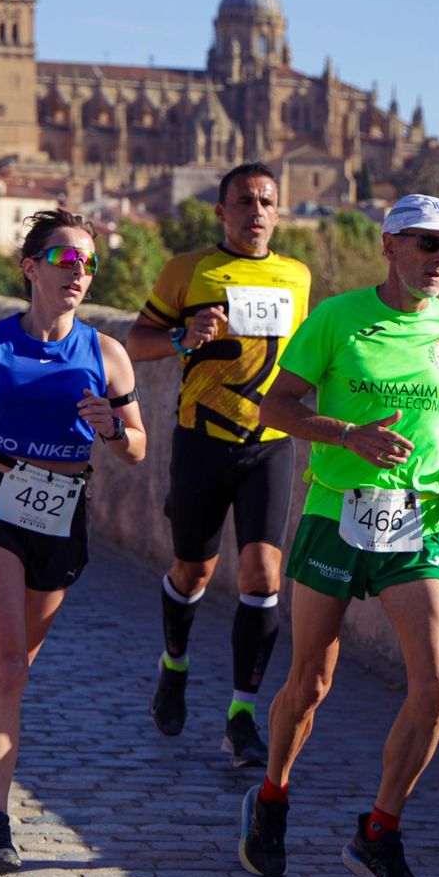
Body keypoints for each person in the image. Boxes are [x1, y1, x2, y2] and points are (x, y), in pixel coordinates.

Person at [237, 194, 439, 877]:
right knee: (311, 682)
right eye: (428, 243)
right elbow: (275, 406)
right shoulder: (337, 318)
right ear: (389, 245)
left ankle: (379, 832)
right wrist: (348, 434)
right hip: (336, 517)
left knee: (437, 683)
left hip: (417, 523)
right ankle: (272, 796)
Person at [0, 209, 147, 873]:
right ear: (30, 267)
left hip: (61, 513)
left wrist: (113, 429)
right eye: (66, 259)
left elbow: (137, 448)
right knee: (10, 667)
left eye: (88, 263)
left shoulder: (107, 354)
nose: (79, 272)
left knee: (11, 673)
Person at [125, 162, 311, 768]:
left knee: (263, 575)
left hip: (270, 442)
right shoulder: (188, 270)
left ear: (278, 212)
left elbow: (306, 358)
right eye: (245, 201)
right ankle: (174, 665)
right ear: (221, 211)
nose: (257, 211)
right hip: (201, 441)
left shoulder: (297, 277)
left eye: (267, 201)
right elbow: (136, 343)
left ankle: (240, 717)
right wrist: (183, 337)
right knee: (193, 571)